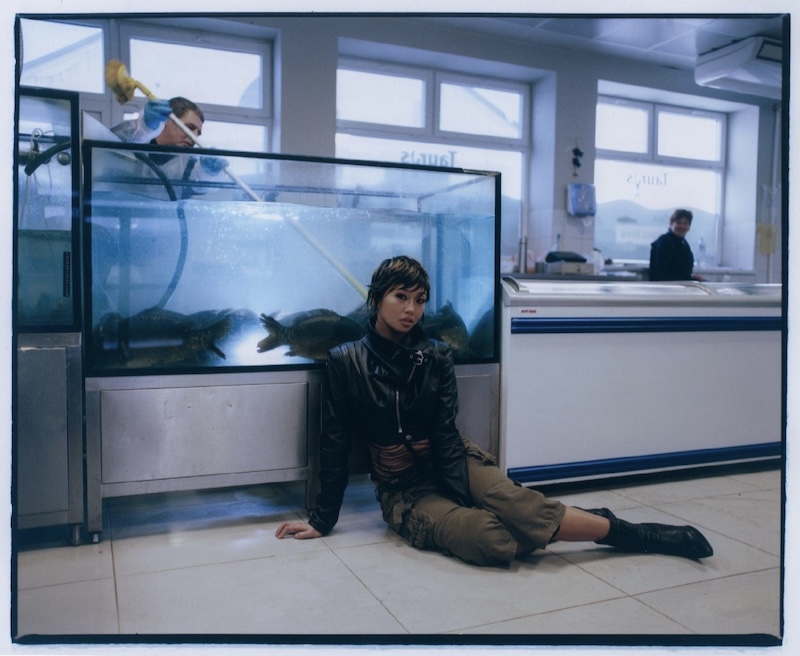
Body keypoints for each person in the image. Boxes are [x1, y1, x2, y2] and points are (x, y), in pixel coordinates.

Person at [275, 255, 714, 567]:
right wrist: (322, 521)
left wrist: (462, 490)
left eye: (420, 300)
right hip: (403, 489)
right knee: (489, 538)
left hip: (453, 461)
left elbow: (445, 433)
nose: (411, 310)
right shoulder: (345, 360)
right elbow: (334, 443)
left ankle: (633, 534)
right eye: (401, 296)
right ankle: (570, 522)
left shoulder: (437, 356)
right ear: (376, 298)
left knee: (518, 506)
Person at [649, 209, 703, 282]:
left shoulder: (683, 243)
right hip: (666, 287)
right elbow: (662, 274)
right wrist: (689, 279)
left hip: (678, 285)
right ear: (671, 224)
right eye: (678, 222)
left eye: (685, 223)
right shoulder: (664, 241)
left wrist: (691, 278)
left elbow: (680, 273)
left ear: (689, 226)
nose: (682, 226)